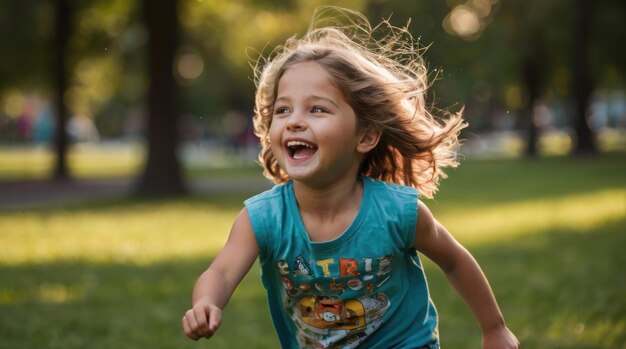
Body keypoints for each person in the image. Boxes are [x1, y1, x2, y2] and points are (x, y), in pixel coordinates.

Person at [182, 6, 520, 349]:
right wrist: (206, 302)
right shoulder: (263, 219)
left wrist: (494, 328)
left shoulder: (397, 212)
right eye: (283, 109)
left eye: (317, 109)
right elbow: (221, 273)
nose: (294, 121)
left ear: (366, 136)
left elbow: (453, 259)